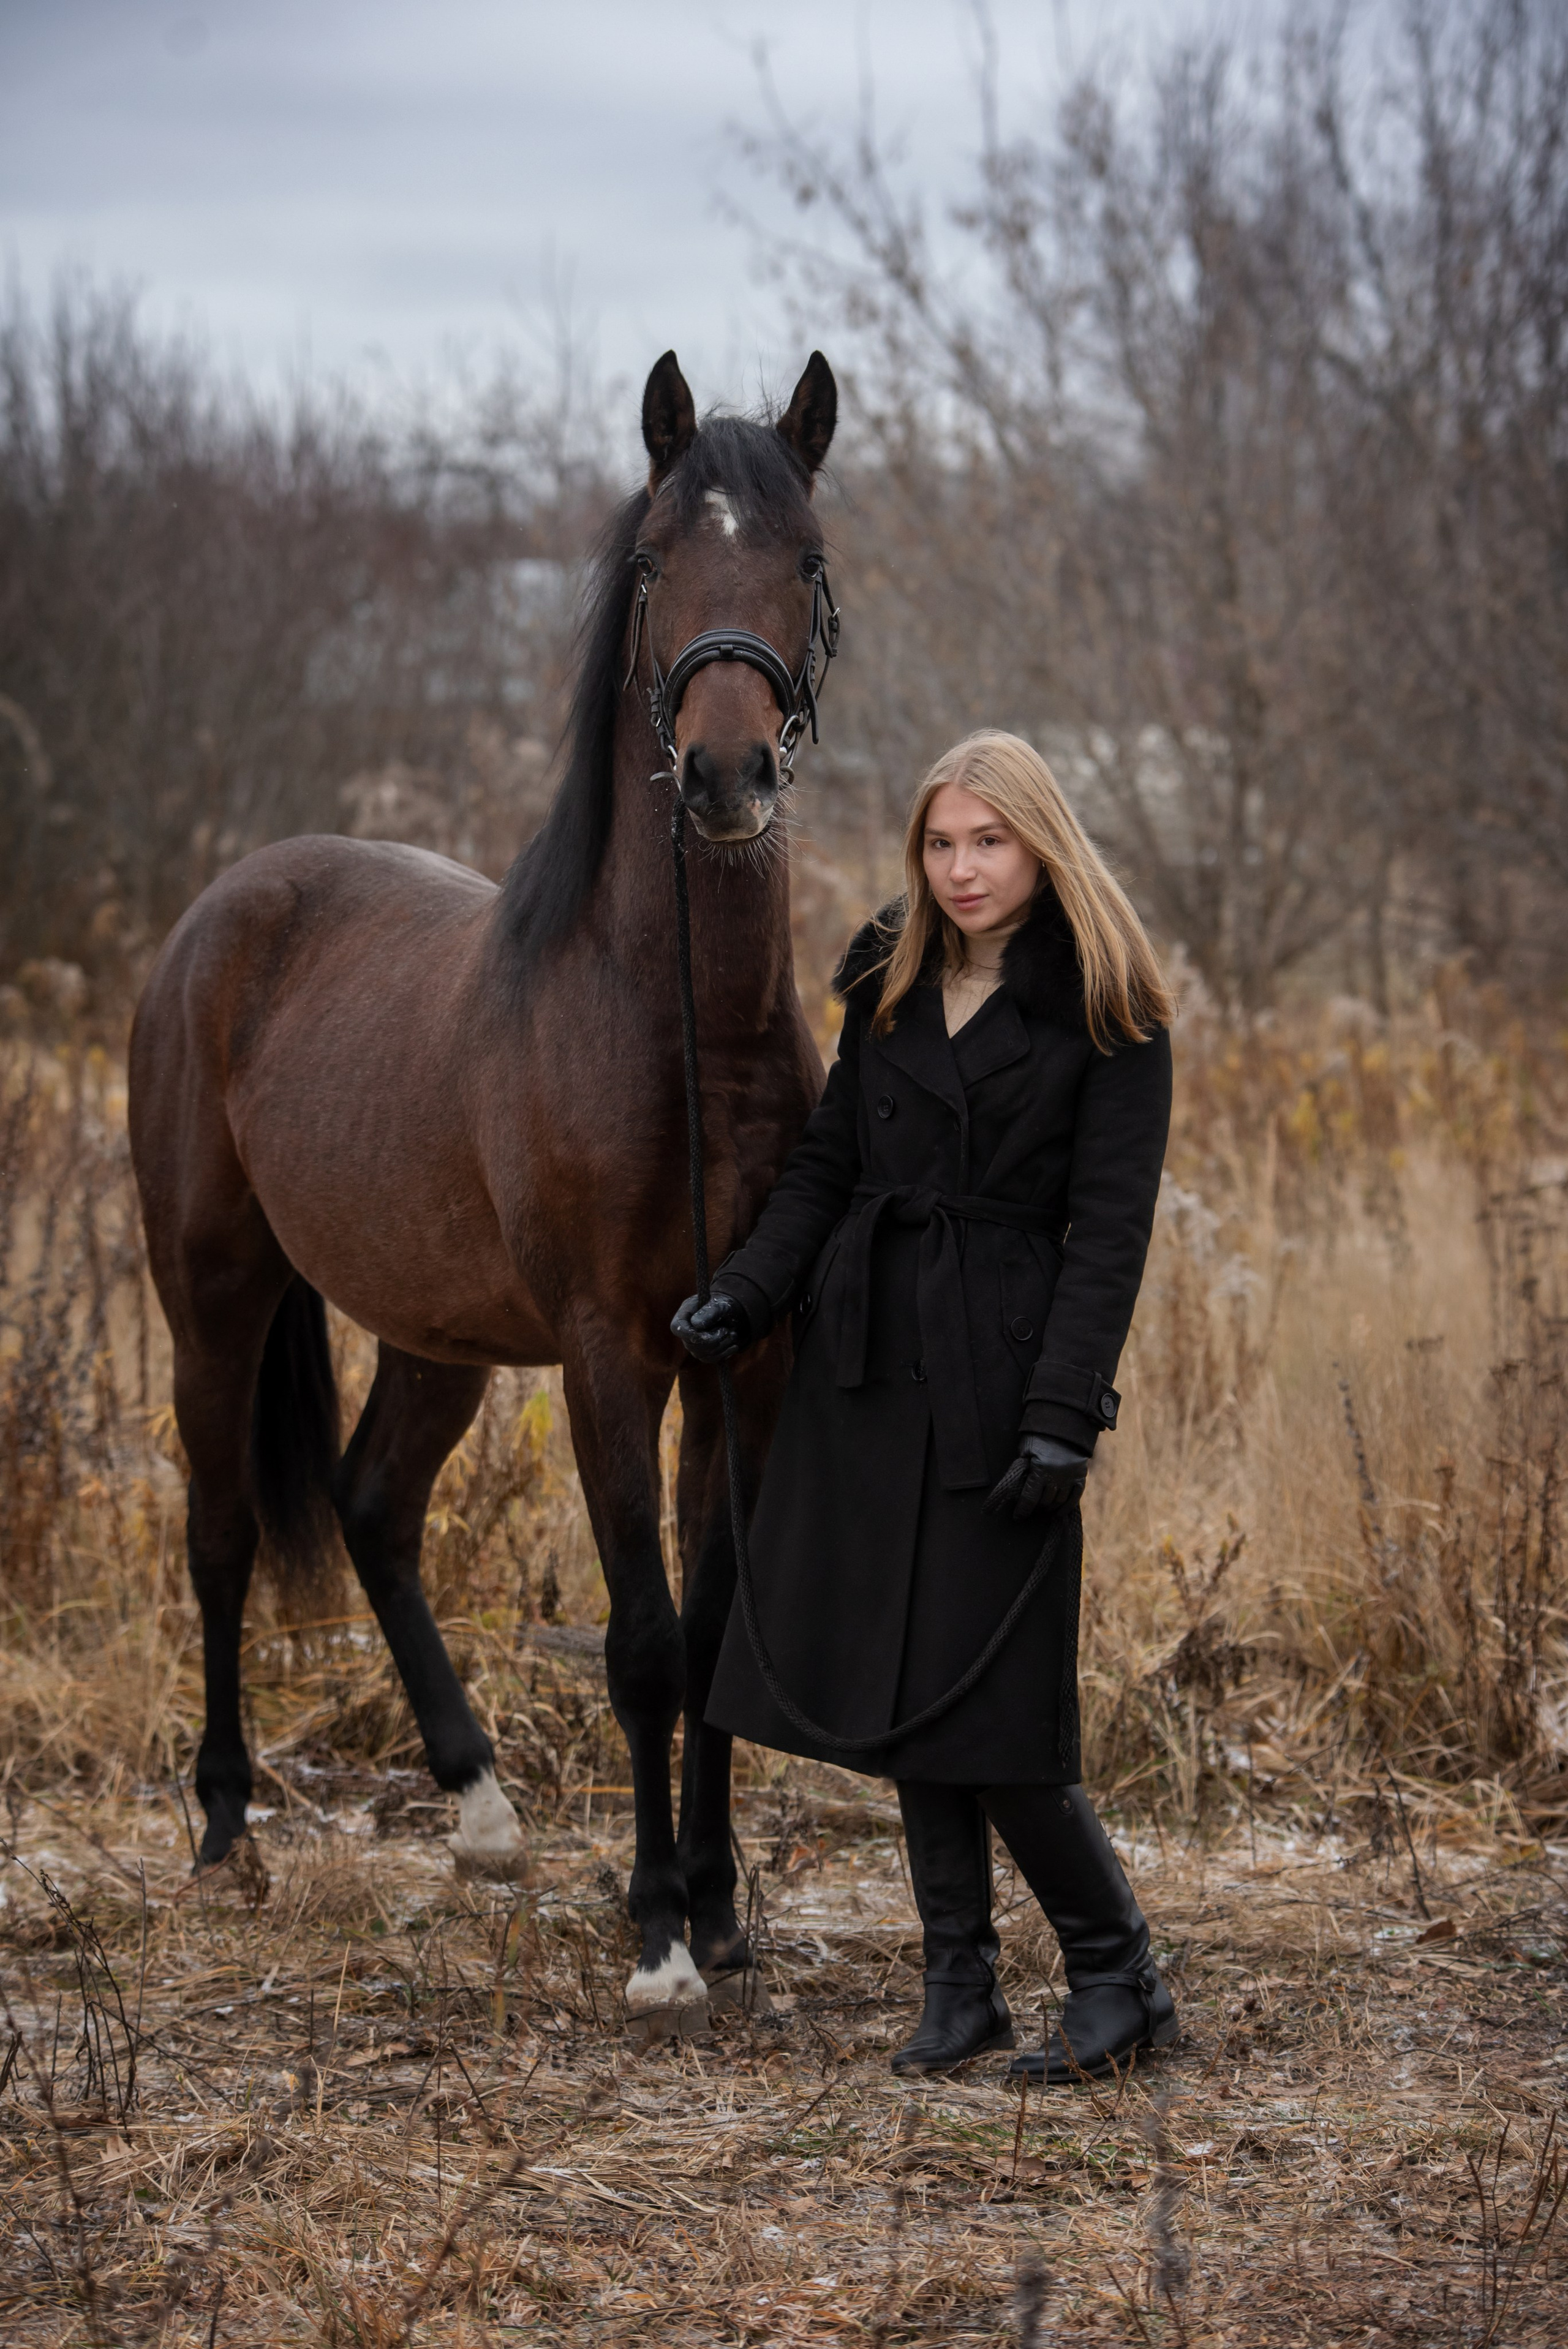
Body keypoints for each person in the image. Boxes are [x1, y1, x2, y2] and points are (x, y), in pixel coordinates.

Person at [673, 731, 1178, 2083]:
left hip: (1002, 1376)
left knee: (994, 1702)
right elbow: (830, 1166)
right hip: (865, 1361)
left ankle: (1114, 1967)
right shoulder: (889, 980)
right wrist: (747, 1293)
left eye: (987, 842)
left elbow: (1108, 1230)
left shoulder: (1107, 1004)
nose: (960, 871)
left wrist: (1064, 1411)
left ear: (1039, 842)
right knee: (906, 1695)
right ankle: (957, 1986)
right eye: (940, 845)